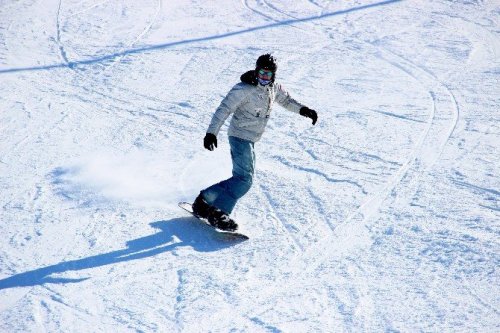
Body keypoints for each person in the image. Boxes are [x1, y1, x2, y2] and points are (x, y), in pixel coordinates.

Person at [191, 54, 318, 231]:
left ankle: (204, 201)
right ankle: (218, 212)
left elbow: (286, 101)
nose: (264, 79)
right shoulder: (244, 89)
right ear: (256, 71)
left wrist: (304, 110)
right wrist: (211, 133)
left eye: (268, 75)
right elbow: (224, 108)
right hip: (239, 136)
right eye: (261, 74)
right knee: (244, 180)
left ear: (273, 76)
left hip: (250, 139)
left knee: (241, 178)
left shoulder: (273, 88)